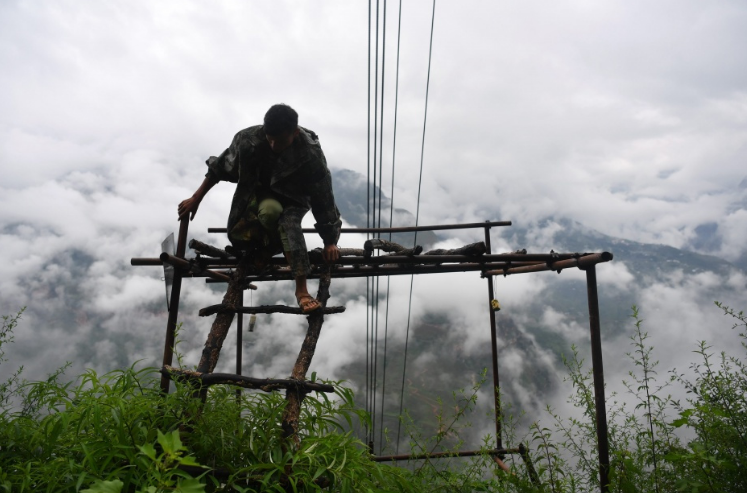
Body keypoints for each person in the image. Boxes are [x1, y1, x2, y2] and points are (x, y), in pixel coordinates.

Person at [178, 104, 341, 313]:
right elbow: (220, 167)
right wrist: (195, 198)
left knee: (288, 224)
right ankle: (268, 248)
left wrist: (329, 241)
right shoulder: (248, 140)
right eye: (269, 139)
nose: (273, 145)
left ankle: (301, 290)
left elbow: (323, 196)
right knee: (262, 218)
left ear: (295, 133)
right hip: (259, 195)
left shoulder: (310, 153)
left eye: (280, 141)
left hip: (295, 198)